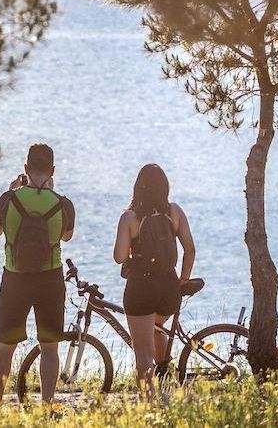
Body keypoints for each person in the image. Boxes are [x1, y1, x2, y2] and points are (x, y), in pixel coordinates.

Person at [0, 143, 75, 405]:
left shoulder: (9, 199)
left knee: (5, 346)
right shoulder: (63, 204)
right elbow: (66, 236)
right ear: (53, 170)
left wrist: (12, 191)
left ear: (25, 168)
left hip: (15, 279)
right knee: (49, 348)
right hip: (50, 279)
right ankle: (46, 405)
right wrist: (50, 196)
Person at [113, 163, 196, 399]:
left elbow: (119, 257)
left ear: (137, 187)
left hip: (141, 287)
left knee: (143, 356)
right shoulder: (175, 212)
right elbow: (190, 250)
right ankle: (166, 375)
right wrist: (183, 279)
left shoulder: (129, 217)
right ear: (165, 187)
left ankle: (149, 408)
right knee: (155, 329)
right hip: (169, 288)